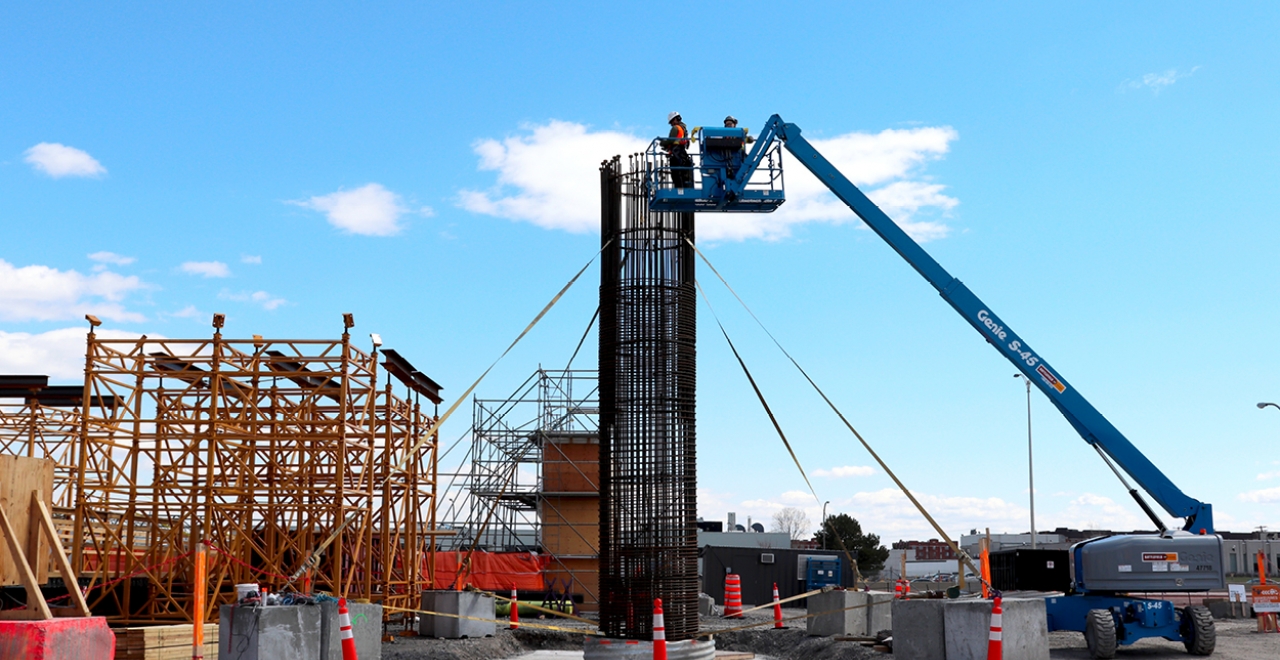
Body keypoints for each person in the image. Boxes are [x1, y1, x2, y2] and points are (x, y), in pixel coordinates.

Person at [663, 111, 694, 189]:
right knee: (684, 175)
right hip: (682, 154)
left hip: (676, 154)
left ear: (675, 119)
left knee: (676, 174)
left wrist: (662, 143)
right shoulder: (684, 129)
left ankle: (679, 190)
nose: (671, 124)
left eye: (671, 122)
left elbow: (670, 140)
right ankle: (685, 189)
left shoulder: (676, 128)